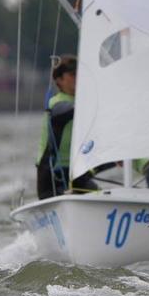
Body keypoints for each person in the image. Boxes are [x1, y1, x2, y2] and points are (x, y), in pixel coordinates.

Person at [35, 55, 97, 199]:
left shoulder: (85, 102)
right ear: (59, 80)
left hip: (76, 171)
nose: (77, 78)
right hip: (50, 176)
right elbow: (66, 111)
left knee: (98, 194)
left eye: (79, 74)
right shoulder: (55, 104)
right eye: (73, 75)